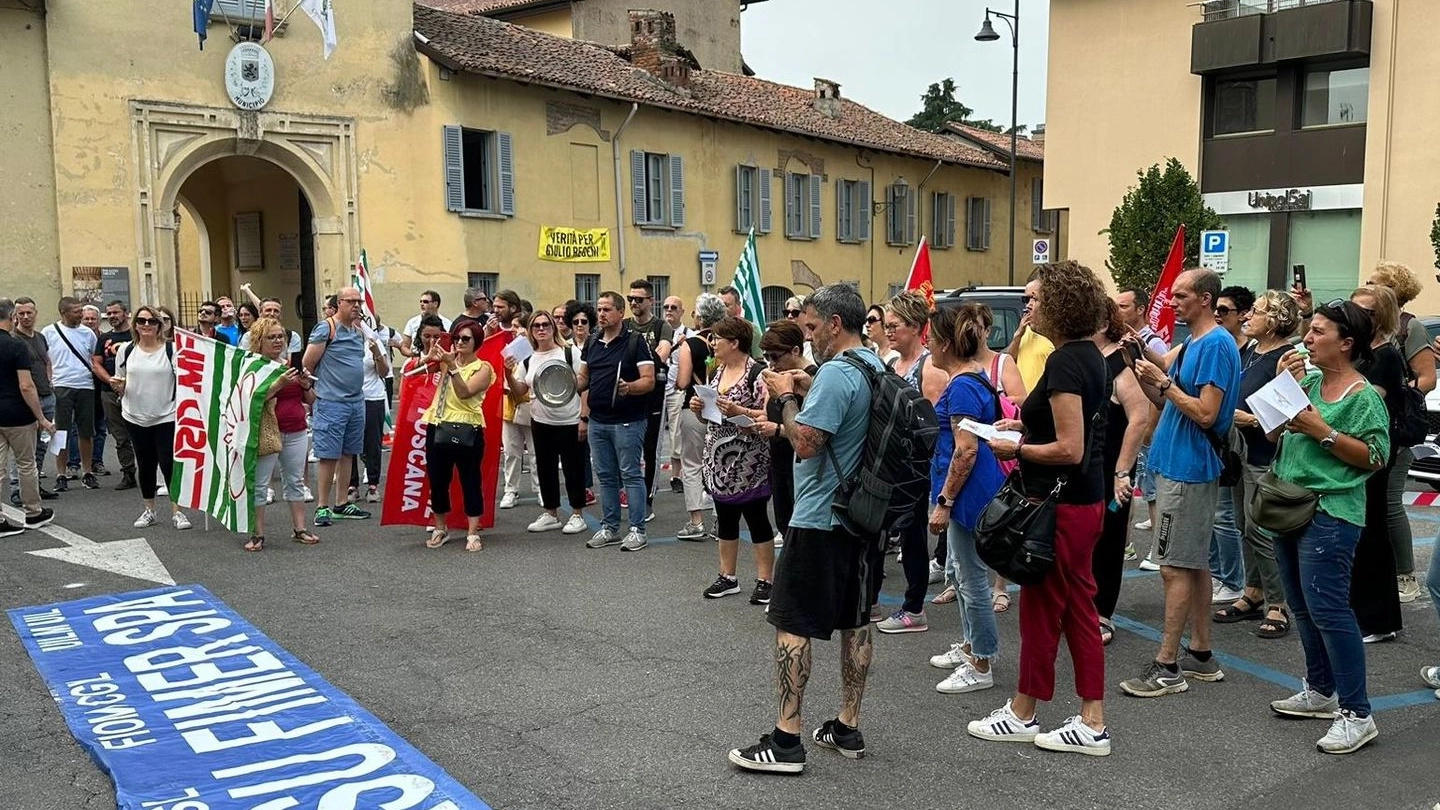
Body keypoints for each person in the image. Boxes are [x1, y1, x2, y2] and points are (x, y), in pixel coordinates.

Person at [727, 284, 882, 775]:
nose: (808, 334)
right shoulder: (875, 365)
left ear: (836, 324)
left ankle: (786, 738)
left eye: (812, 325)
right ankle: (847, 725)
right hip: (862, 513)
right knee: (855, 620)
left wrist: (785, 399)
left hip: (821, 514)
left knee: (793, 622)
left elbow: (809, 443)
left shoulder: (837, 372)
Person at [965, 261, 1112, 757]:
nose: (1029, 306)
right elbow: (1070, 436)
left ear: (1060, 303)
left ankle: (1026, 712)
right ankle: (1088, 717)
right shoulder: (1087, 355)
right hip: (1079, 500)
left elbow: (1070, 447)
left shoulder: (1068, 361)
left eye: (1036, 297)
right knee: (1075, 610)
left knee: (1046, 610)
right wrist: (1025, 433)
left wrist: (1017, 449)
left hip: (1061, 502)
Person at [1263, 299, 1388, 754]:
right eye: (1308, 331)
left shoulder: (1364, 396)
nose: (1307, 339)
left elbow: (1376, 458)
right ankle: (1320, 690)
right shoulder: (1308, 380)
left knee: (1331, 612)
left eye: (1317, 332)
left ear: (1346, 343)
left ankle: (1357, 713)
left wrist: (1322, 431)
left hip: (1331, 513)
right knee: (1302, 606)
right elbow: (1271, 431)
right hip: (1287, 503)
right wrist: (1282, 386)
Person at [1122, 269, 1241, 698]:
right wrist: (1138, 358)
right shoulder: (1193, 342)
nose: (1173, 301)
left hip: (1190, 469)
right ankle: (1201, 655)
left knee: (1174, 568)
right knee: (1194, 564)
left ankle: (1167, 665)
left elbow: (1206, 413)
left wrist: (1165, 384)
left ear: (1206, 299)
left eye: (1181, 295)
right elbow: (1163, 385)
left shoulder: (1214, 345)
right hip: (1178, 465)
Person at [923, 303, 1006, 693]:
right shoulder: (971, 379)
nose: (927, 345)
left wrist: (945, 501)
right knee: (961, 572)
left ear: (944, 344)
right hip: (971, 489)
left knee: (971, 579)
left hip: (969, 493)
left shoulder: (962, 386)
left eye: (931, 338)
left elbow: (966, 450)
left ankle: (981, 662)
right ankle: (973, 646)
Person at [1215, 290, 1299, 639]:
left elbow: (1289, 414)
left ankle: (1279, 604)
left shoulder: (1286, 357)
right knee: (1243, 524)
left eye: (1259, 312)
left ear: (1276, 320)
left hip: (1263, 455)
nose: (1249, 316)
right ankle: (1253, 591)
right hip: (1239, 451)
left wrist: (1247, 420)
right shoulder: (1251, 350)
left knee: (1260, 528)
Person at [876, 291, 950, 634]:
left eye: (895, 326)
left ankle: (913, 608)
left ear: (916, 327)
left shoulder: (929, 367)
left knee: (912, 536)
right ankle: (872, 599)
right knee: (877, 530)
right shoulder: (891, 363)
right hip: (889, 464)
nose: (888, 332)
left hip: (916, 468)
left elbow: (930, 426)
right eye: (887, 325)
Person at [1363, 260, 1434, 604]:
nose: (1367, 285)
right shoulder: (1365, 327)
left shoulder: (1409, 327)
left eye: (1374, 282)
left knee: (1391, 502)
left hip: (1396, 427)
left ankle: (1405, 575)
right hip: (1368, 427)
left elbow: (1427, 378)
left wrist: (1395, 388)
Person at [694, 317, 774, 604]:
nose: (713, 344)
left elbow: (768, 416)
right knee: (725, 518)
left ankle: (766, 580)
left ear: (735, 343)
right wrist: (699, 408)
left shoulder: (758, 373)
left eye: (718, 339)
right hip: (719, 457)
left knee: (756, 519)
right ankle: (727, 576)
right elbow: (710, 417)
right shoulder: (717, 370)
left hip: (748, 460)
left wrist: (740, 410)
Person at [1346, 285, 1405, 643]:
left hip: (1374, 449)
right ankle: (1361, 610)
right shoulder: (1362, 350)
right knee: (1357, 530)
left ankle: (1379, 619)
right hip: (1353, 448)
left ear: (1381, 315)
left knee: (1372, 530)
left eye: (1368, 312)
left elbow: (1367, 401)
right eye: (1355, 310)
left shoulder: (1385, 355)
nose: (1360, 316)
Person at [1091, 300, 1151, 646]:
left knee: (1109, 538)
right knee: (1083, 540)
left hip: (1111, 466)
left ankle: (1102, 613)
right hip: (1085, 466)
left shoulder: (1117, 362)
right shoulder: (1087, 358)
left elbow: (1140, 416)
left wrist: (1122, 471)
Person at [577, 292, 655, 552]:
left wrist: (629, 388)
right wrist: (558, 385)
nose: (601, 314)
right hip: (598, 421)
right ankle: (610, 528)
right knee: (606, 477)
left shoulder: (635, 342)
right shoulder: (592, 341)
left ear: (621, 313)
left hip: (628, 421)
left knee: (631, 475)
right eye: (599, 309)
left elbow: (649, 380)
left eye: (607, 309)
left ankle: (637, 530)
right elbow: (583, 378)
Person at [507, 310, 590, 535]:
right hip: (540, 420)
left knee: (573, 469)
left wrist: (584, 417)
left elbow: (583, 384)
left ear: (553, 328)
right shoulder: (527, 358)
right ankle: (551, 513)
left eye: (546, 325)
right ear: (531, 332)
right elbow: (520, 391)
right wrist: (507, 374)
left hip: (569, 420)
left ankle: (577, 514)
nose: (541, 329)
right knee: (545, 468)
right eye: (536, 326)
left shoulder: (569, 352)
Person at [302, 287, 379, 526]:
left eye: (358, 301)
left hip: (356, 402)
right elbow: (307, 364)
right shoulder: (327, 328)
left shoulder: (357, 332)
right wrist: (312, 394)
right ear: (339, 304)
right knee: (328, 455)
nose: (356, 305)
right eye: (351, 301)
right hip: (332, 402)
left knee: (348, 453)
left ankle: (342, 503)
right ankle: (322, 507)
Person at [247, 317, 320, 550]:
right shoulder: (254, 366)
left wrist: (305, 383)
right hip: (267, 432)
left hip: (296, 429)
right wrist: (278, 383)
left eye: (281, 336)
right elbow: (250, 400)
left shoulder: (291, 364)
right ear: (259, 341)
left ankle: (300, 528)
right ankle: (257, 534)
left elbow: (310, 400)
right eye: (272, 337)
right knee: (259, 485)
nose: (278, 340)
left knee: (295, 480)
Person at [422, 321, 494, 552]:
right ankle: (440, 528)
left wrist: (452, 366)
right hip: (438, 422)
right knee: (438, 479)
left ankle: (473, 531)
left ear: (476, 343)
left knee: (470, 479)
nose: (460, 343)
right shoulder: (446, 361)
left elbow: (464, 393)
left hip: (468, 427)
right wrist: (428, 357)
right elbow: (412, 371)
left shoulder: (484, 368)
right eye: (457, 338)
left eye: (466, 339)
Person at [117, 305, 191, 530]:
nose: (146, 325)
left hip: (166, 414)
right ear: (135, 325)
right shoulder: (126, 350)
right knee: (145, 463)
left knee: (169, 463)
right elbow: (121, 379)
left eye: (152, 321)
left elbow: (185, 381)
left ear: (160, 325)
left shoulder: (172, 349)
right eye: (141, 321)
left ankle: (178, 511)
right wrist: (118, 386)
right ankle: (149, 509)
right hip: (134, 414)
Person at [1209, 285, 1255, 607]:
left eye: (1224, 310)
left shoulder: (1252, 352)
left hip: (1246, 447)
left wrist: (1247, 418)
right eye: (1216, 309)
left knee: (1227, 516)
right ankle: (1219, 573)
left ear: (1243, 314)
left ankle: (1233, 580)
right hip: (1216, 439)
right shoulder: (1215, 343)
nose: (1217, 315)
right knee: (1217, 513)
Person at [1117, 287, 1170, 553]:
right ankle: (1125, 544)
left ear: (1141, 309)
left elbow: (1162, 390)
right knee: (1131, 486)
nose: (1118, 311)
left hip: (1147, 428)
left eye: (1124, 306)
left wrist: (1150, 428)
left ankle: (1157, 550)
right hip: (1131, 426)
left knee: (1151, 491)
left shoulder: (1154, 345)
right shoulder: (1123, 342)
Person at [0, 298, 57, 536]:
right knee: (26, 463)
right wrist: (41, 417)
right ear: (12, 316)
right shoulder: (16, 346)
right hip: (17, 414)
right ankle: (33, 512)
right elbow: (26, 386)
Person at [671, 294, 724, 540]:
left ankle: (696, 522)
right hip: (721, 409)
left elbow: (682, 382)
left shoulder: (690, 344)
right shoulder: (726, 342)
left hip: (693, 407)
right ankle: (720, 521)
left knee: (692, 464)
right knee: (719, 463)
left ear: (700, 316)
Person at [757, 320, 813, 549]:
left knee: (801, 529)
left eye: (775, 356)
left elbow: (812, 428)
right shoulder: (777, 374)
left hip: (800, 463)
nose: (771, 363)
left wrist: (777, 430)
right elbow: (769, 411)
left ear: (795, 351)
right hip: (779, 459)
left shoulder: (810, 377)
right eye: (767, 357)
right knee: (784, 520)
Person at [625, 279, 674, 521]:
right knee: (627, 446)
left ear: (650, 301)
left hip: (654, 394)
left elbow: (662, 354)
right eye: (630, 299)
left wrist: (637, 357)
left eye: (639, 299)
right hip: (629, 392)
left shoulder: (661, 327)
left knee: (651, 448)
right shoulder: (624, 326)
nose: (634, 303)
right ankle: (630, 494)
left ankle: (647, 501)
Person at [43, 297, 99, 492]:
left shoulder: (88, 334)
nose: (80, 314)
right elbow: (45, 359)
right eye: (76, 311)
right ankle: (61, 473)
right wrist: (49, 380)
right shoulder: (49, 332)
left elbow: (92, 357)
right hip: (61, 385)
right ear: (63, 313)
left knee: (86, 431)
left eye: (81, 310)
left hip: (85, 385)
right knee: (61, 432)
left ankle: (87, 471)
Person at [91, 300, 137, 491]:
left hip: (135, 392)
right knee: (120, 436)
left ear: (125, 313)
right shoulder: (104, 338)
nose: (111, 317)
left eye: (115, 313)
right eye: (108, 314)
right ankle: (128, 473)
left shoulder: (136, 335)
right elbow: (96, 363)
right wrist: (110, 380)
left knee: (141, 433)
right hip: (109, 393)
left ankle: (152, 472)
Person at [346, 316, 391, 504]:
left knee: (372, 443)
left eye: (359, 321)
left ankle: (373, 484)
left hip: (372, 397)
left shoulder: (373, 342)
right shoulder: (342, 344)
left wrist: (376, 353)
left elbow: (384, 371)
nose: (355, 325)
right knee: (349, 443)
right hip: (348, 398)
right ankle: (352, 485)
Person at [499, 311, 538, 510]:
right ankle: (510, 489)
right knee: (511, 451)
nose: (512, 330)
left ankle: (540, 489)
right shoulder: (508, 350)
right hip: (509, 406)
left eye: (517, 326)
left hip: (531, 405)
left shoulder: (536, 350)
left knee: (535, 451)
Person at [566, 300, 599, 506]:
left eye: (584, 321)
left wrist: (584, 415)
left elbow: (587, 383)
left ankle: (589, 486)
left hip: (593, 403)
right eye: (575, 321)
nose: (579, 325)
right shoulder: (566, 347)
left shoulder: (595, 344)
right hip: (570, 403)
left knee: (590, 445)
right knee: (576, 447)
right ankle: (583, 486)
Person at [661, 294, 688, 492]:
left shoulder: (689, 334)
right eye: (666, 307)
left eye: (673, 307)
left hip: (678, 390)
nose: (669, 310)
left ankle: (675, 476)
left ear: (681, 312)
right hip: (657, 390)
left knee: (677, 434)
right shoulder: (659, 332)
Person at [718, 285, 765, 359]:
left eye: (726, 305)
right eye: (719, 306)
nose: (722, 309)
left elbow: (759, 361)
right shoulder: (713, 330)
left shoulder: (752, 330)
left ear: (738, 305)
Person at [401, 290, 451, 357]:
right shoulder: (412, 322)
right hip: (417, 361)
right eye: (420, 301)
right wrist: (414, 356)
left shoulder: (447, 324)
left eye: (425, 302)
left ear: (435, 304)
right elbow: (404, 347)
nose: (422, 304)